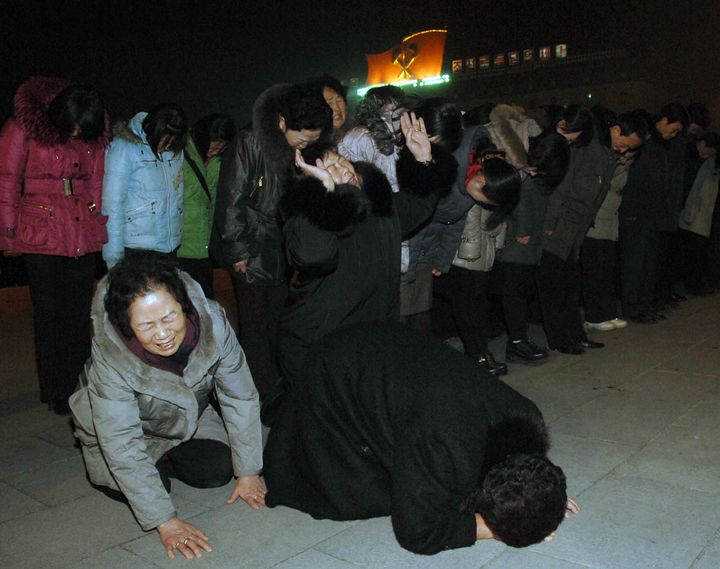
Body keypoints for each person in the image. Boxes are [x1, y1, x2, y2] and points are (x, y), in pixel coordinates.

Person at [263, 321, 577, 555]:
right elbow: (417, 532)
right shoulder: (446, 444)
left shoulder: (527, 418)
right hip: (335, 376)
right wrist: (491, 529)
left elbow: (526, 469)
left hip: (389, 352)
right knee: (371, 496)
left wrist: (542, 500)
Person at [69, 252, 264, 561]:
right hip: (120, 432)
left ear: (183, 305)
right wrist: (165, 522)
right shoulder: (111, 356)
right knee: (150, 489)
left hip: (187, 418)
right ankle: (157, 462)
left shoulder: (213, 324)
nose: (162, 334)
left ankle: (170, 453)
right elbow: (120, 441)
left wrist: (249, 471)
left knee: (217, 470)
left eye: (169, 317)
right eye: (146, 325)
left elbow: (239, 395)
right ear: (127, 325)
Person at [275, 111, 456, 390]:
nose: (343, 169)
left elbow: (417, 207)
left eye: (340, 160)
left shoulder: (380, 206)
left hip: (373, 337)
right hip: (321, 344)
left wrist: (423, 159)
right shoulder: (308, 218)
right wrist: (323, 194)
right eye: (329, 169)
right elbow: (313, 256)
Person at [212, 83, 332, 398]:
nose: (307, 143)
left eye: (313, 139)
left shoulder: (297, 147)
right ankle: (259, 392)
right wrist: (238, 250)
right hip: (251, 245)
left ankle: (279, 382)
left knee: (280, 319)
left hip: (280, 244)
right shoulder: (250, 141)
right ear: (281, 122)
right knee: (255, 324)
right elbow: (231, 198)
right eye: (303, 137)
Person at [0, 76, 110, 414]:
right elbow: (6, 179)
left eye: (84, 128)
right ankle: (56, 389)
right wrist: (8, 233)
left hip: (80, 230)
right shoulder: (23, 127)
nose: (78, 133)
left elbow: (96, 179)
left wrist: (97, 218)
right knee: (49, 313)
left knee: (79, 312)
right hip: (40, 229)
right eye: (73, 126)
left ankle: (80, 381)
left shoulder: (92, 130)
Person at [538, 109, 643, 352]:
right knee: (555, 287)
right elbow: (562, 188)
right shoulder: (587, 149)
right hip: (559, 226)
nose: (625, 150)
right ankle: (559, 339)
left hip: (576, 230)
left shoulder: (607, 154)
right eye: (625, 144)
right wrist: (549, 225)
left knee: (571, 286)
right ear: (616, 130)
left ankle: (575, 334)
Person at [497, 131, 570, 364]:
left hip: (530, 240)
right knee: (515, 292)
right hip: (517, 241)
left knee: (520, 292)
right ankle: (517, 342)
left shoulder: (541, 171)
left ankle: (519, 339)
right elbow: (520, 199)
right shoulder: (526, 170)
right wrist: (523, 229)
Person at [102, 104, 188, 269]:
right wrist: (114, 258)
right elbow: (112, 204)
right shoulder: (124, 147)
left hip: (169, 247)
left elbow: (177, 196)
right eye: (165, 139)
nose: (168, 146)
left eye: (173, 141)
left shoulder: (175, 148)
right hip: (136, 248)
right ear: (152, 128)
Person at [177, 114, 236, 298]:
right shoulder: (180, 153)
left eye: (222, 145)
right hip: (181, 244)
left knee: (206, 303)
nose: (216, 148)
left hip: (205, 246)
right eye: (214, 142)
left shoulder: (219, 162)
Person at [307, 75, 348, 144]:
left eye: (339, 99)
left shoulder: (356, 136)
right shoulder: (309, 144)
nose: (336, 108)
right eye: (329, 102)